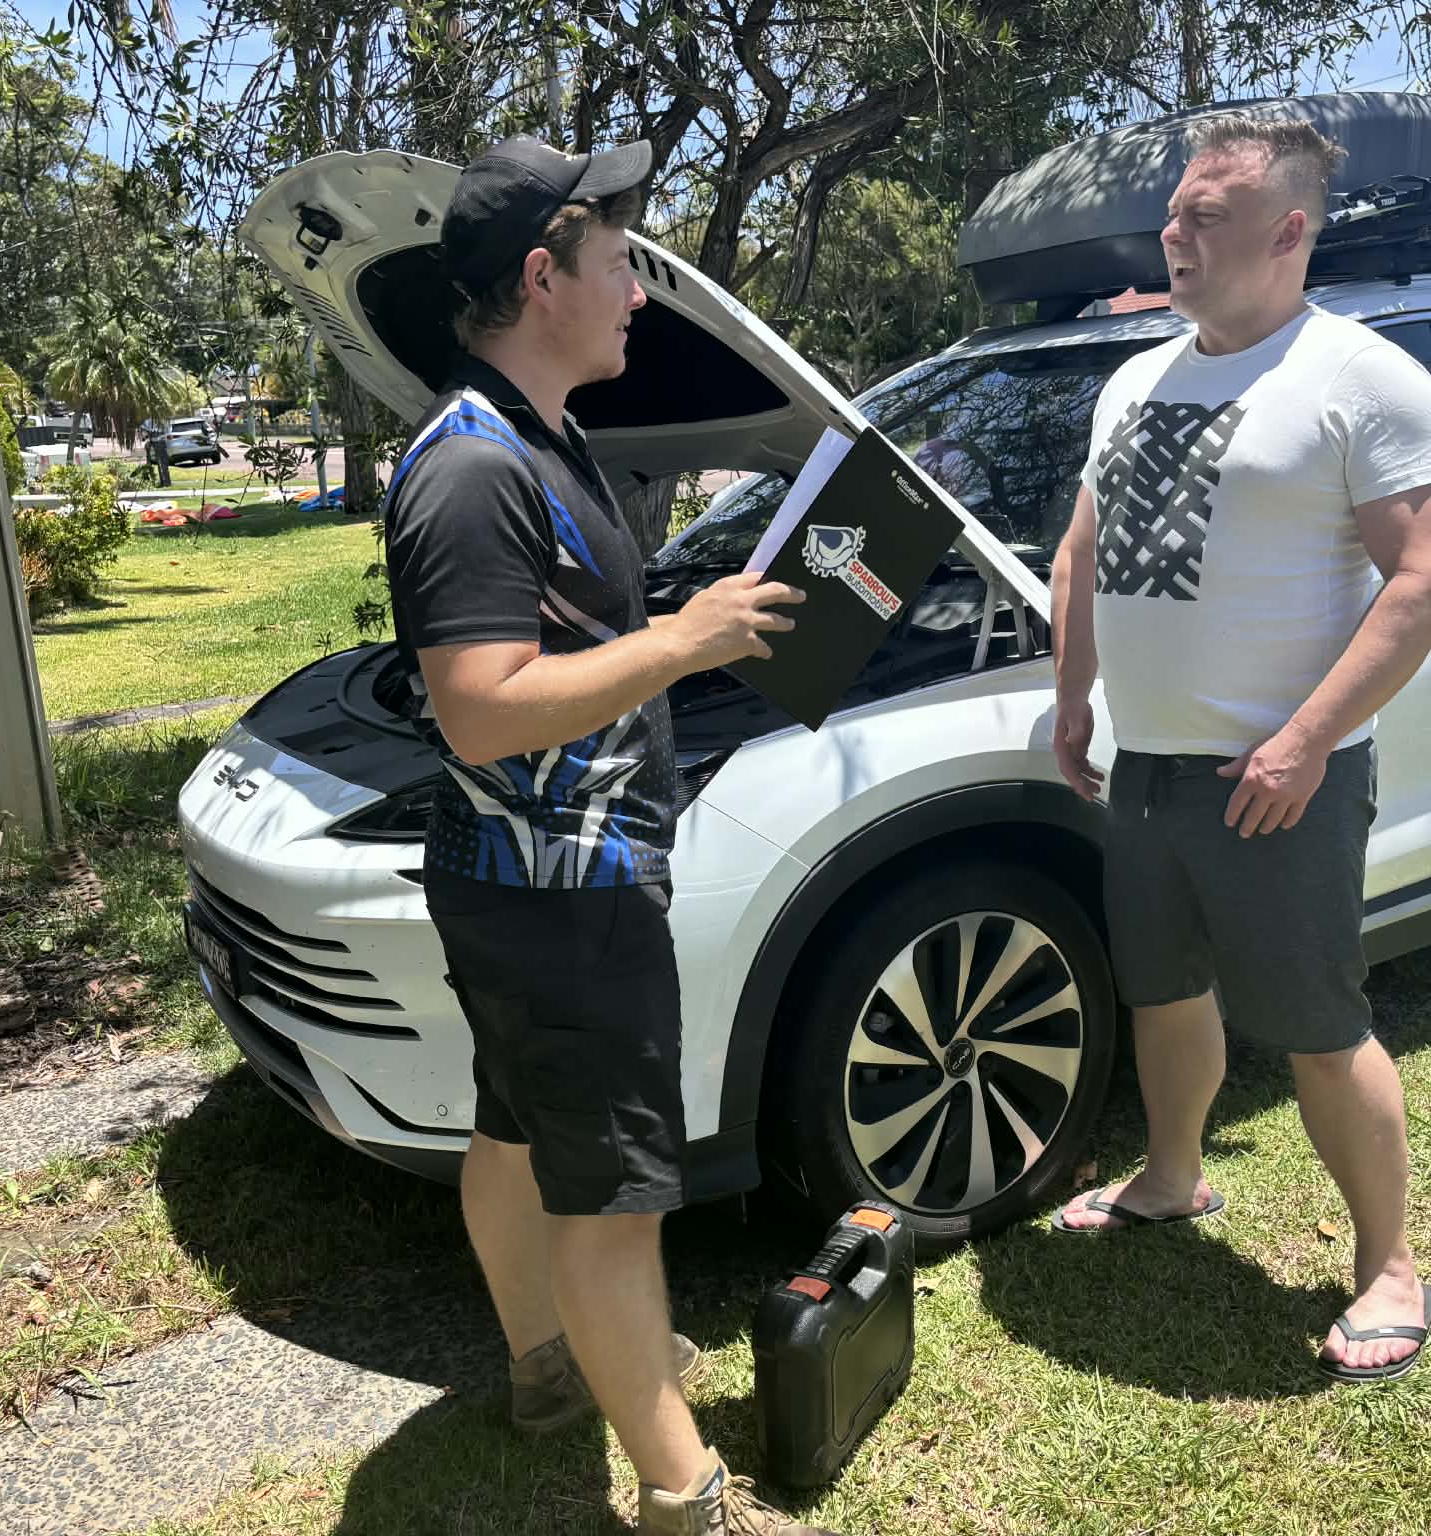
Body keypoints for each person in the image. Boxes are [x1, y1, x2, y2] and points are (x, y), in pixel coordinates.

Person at [381, 134, 834, 1534]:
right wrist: (676, 644)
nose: (641, 291)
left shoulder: (537, 434)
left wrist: (693, 629)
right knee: (617, 1205)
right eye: (622, 263)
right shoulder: (469, 470)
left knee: (521, 1132)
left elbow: (552, 645)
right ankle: (684, 1489)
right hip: (560, 895)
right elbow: (479, 711)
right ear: (542, 277)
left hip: (529, 889)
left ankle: (546, 1368)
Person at [1046, 114, 1431, 1384]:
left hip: (1277, 781)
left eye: (1206, 215)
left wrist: (1300, 745)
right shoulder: (1136, 377)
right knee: (1162, 992)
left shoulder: (1357, 377)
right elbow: (1082, 552)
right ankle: (1171, 1178)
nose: (1173, 234)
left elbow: (1429, 577)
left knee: (1314, 1025)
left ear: (1287, 231)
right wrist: (1075, 702)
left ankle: (1388, 1265)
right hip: (1151, 766)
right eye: (1174, 213)